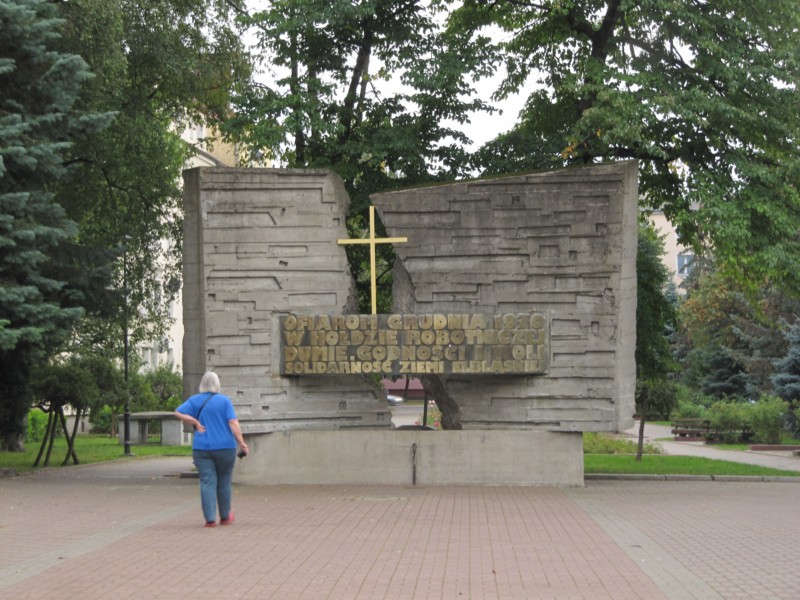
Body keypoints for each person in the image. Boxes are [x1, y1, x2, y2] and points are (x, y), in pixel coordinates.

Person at [175, 371, 248, 528]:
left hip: (202, 448)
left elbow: (178, 412)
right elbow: (233, 422)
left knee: (207, 481)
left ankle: (209, 519)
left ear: (202, 384)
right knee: (224, 481)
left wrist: (194, 421)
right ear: (217, 384)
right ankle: (225, 516)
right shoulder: (224, 401)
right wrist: (242, 442)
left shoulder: (195, 400)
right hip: (225, 447)